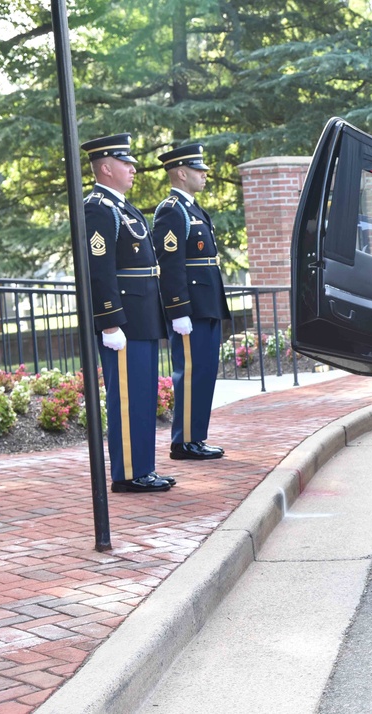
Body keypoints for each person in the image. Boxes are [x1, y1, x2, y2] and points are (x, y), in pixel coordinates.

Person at [80, 133, 172, 493]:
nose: (133, 168)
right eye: (125, 162)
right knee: (128, 397)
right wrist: (109, 321)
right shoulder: (98, 208)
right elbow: (98, 269)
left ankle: (143, 468)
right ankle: (129, 473)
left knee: (144, 395)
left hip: (143, 317)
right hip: (124, 321)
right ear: (106, 167)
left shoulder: (123, 207)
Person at [152, 143, 230, 461]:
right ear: (182, 173)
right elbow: (170, 265)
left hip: (206, 304)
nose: (205, 175)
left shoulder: (194, 209)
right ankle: (183, 442)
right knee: (190, 372)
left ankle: (196, 437)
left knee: (205, 372)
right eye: (199, 171)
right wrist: (178, 309)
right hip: (191, 310)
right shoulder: (172, 210)